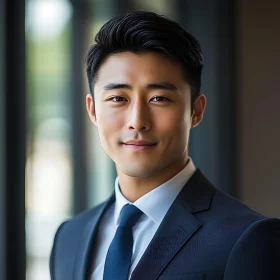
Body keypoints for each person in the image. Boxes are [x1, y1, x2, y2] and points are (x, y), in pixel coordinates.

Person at [49, 11, 280, 280]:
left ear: (196, 110)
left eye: (158, 98)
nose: (137, 122)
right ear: (92, 110)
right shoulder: (69, 237)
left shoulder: (247, 239)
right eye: (117, 98)